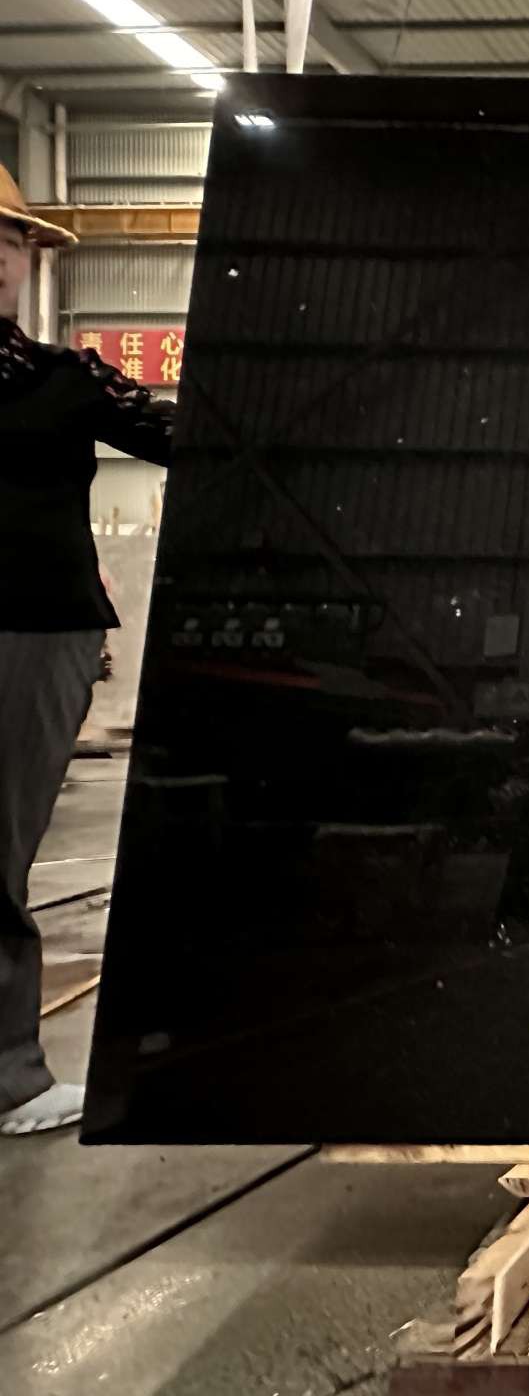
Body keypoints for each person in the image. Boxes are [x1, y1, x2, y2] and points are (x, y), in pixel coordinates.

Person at [1, 166, 174, 1135]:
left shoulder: (64, 380)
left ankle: (10, 1078)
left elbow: (185, 435)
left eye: (10, 242)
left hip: (33, 632)